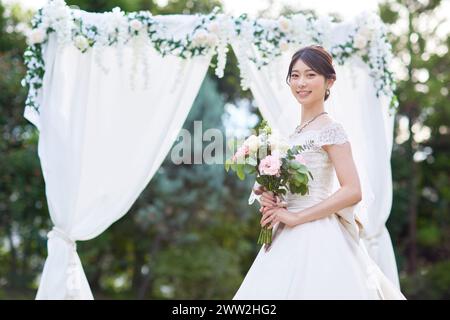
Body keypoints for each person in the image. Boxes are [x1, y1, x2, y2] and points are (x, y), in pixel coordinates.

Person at [233, 45, 406, 300]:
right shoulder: (292, 135)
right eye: (295, 75)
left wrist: (297, 217)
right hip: (283, 235)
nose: (301, 82)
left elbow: (352, 190)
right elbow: (291, 184)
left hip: (317, 234)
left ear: (329, 81)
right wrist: (269, 194)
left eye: (310, 74)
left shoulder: (331, 130)